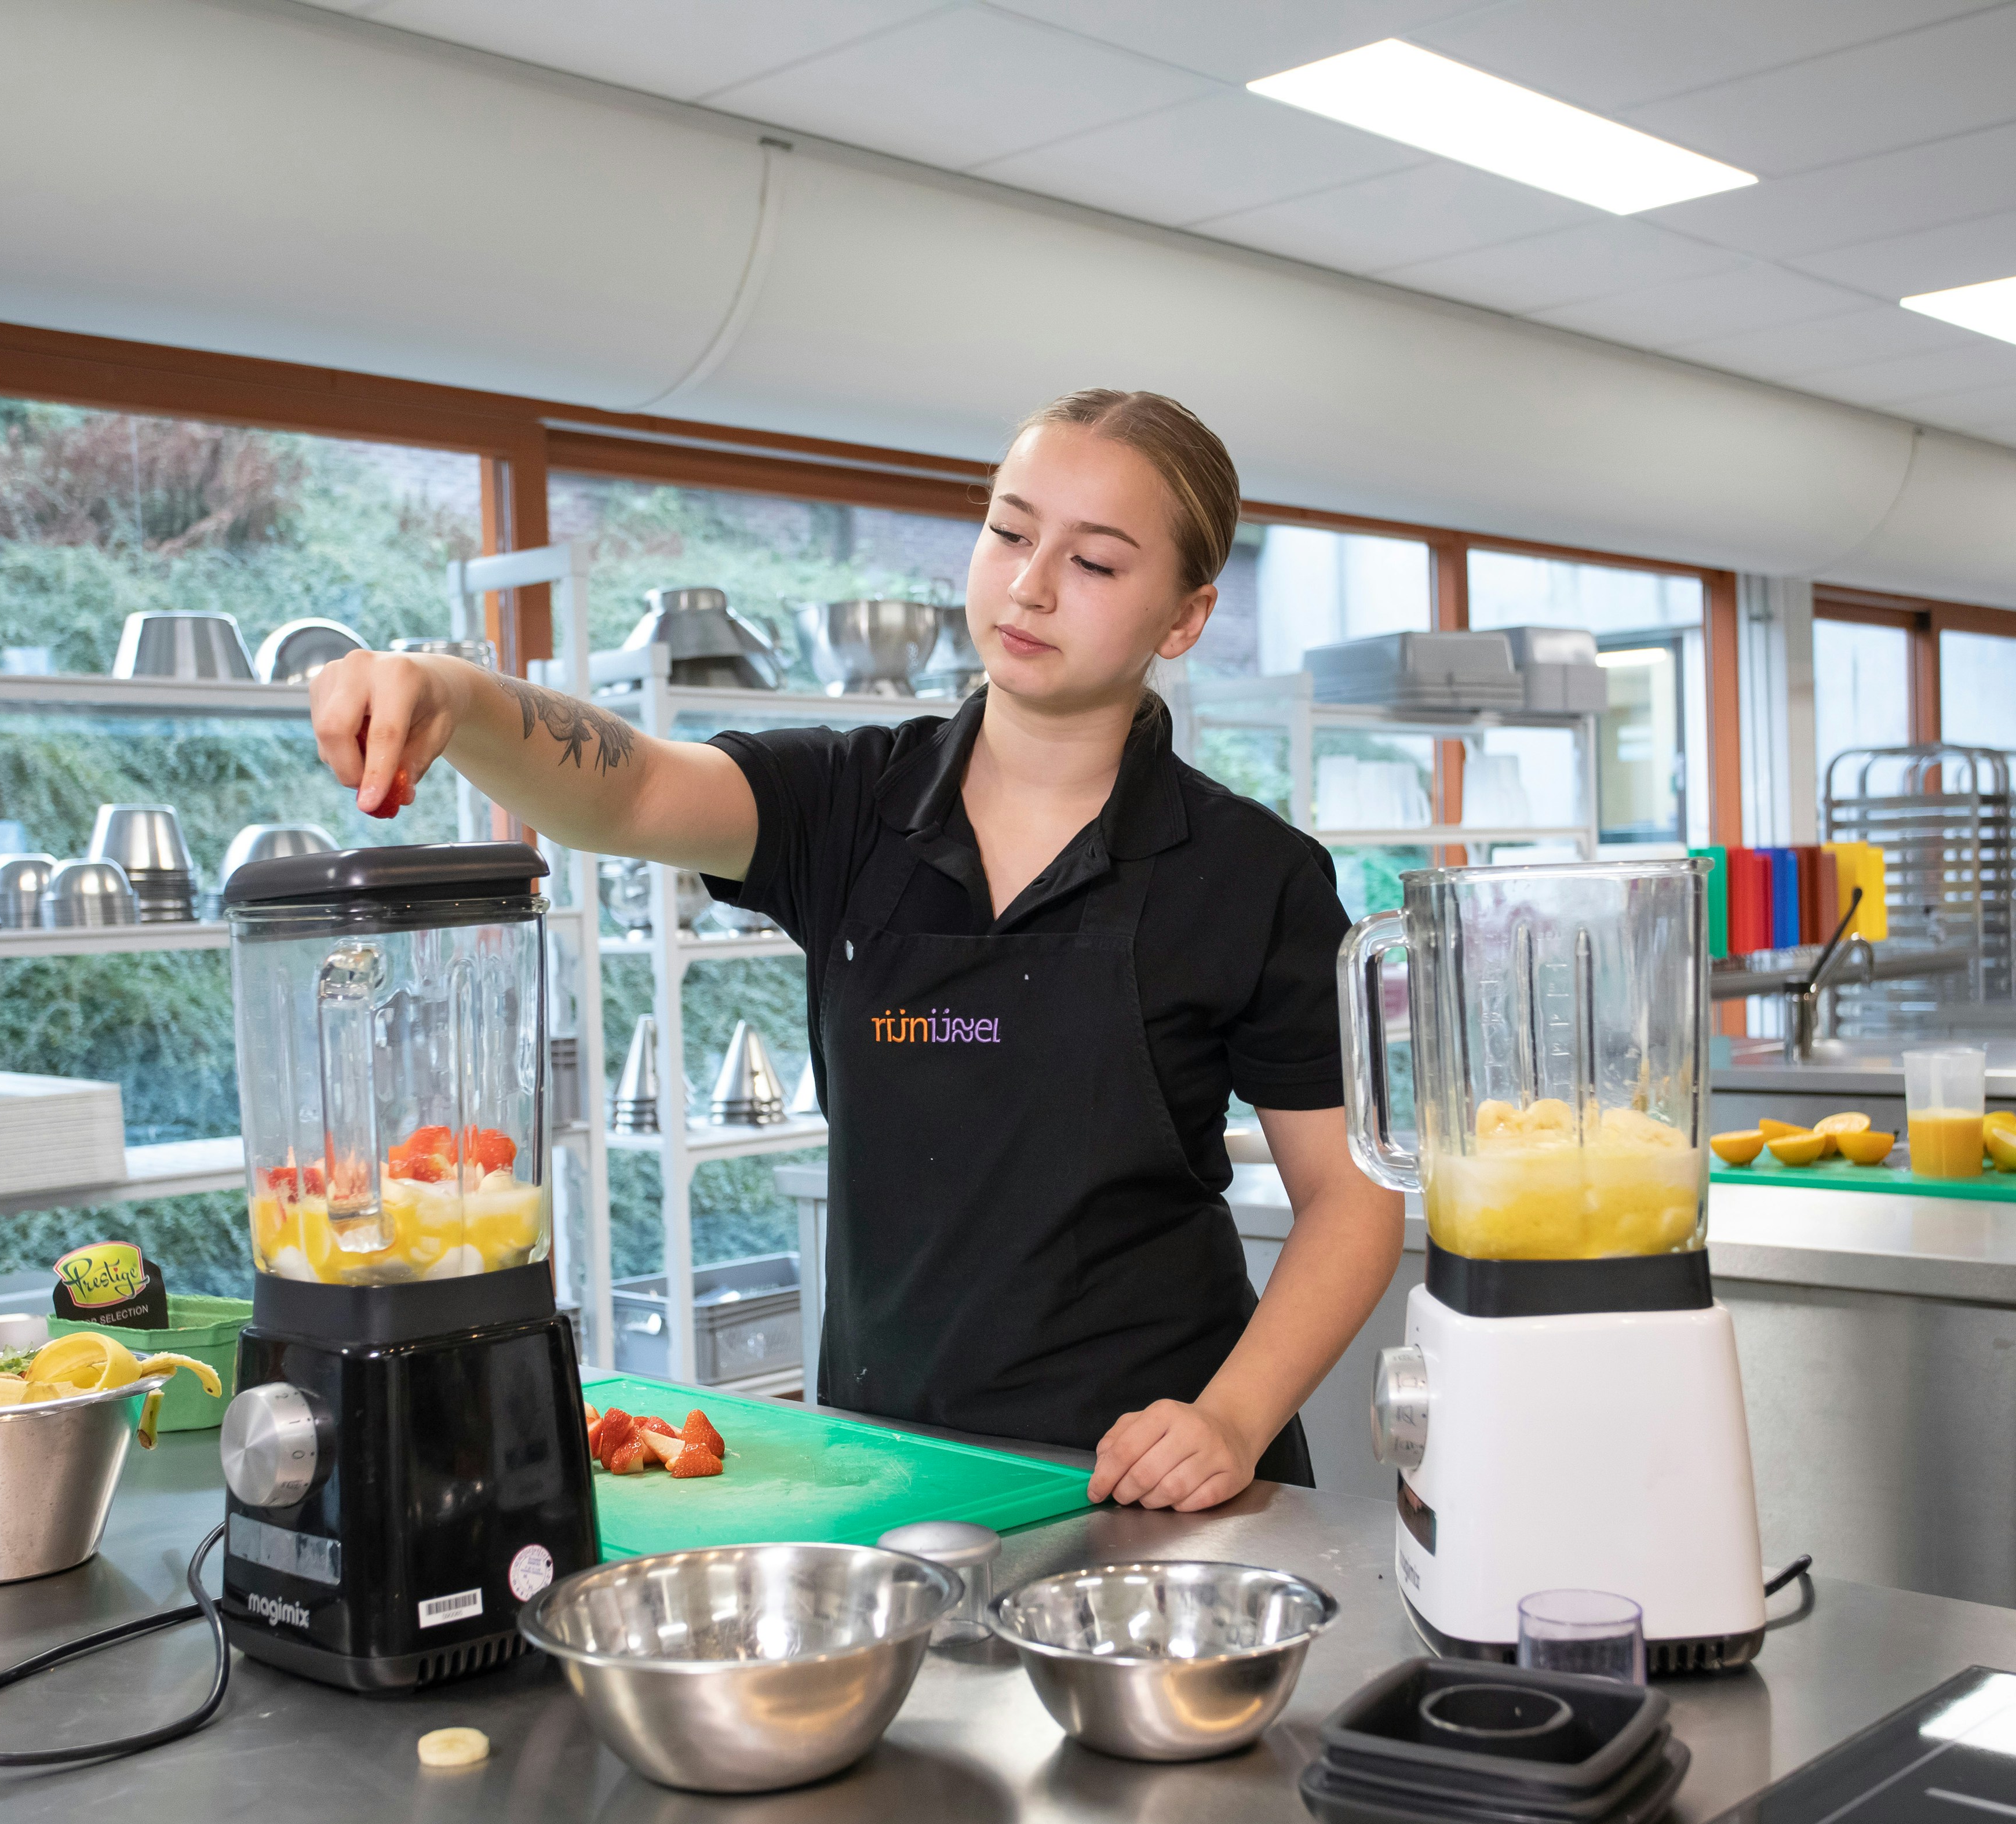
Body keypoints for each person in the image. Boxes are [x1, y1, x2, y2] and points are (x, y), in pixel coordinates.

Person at [308, 389, 1403, 1513]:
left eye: (1097, 563)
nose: (1027, 584)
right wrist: (460, 700)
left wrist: (1228, 1417)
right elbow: (629, 790)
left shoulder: (1251, 875)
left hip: (1144, 1491)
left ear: (1183, 616)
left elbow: (1349, 1198)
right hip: (889, 1475)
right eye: (1009, 530)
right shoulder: (847, 805)